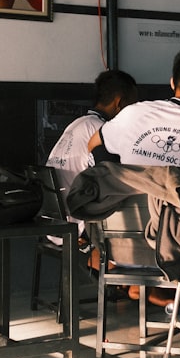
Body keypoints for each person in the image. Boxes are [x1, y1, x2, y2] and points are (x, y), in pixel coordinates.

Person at [87, 46, 180, 324]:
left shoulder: (132, 114)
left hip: (123, 249)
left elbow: (93, 144)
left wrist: (123, 177)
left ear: (172, 83)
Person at [45, 69, 138, 247]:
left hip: (52, 224)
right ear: (119, 102)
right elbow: (112, 178)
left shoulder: (78, 124)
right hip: (75, 228)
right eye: (133, 105)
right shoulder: (101, 131)